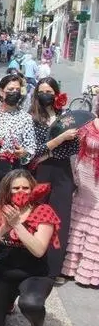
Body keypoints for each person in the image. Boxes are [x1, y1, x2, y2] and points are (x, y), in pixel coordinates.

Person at [0, 170, 60, 326]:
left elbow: (39, 250)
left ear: (32, 189)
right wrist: (3, 228)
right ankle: (7, 301)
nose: (20, 191)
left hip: (34, 274)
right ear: (8, 190)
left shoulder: (43, 211)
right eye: (16, 188)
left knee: (30, 303)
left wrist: (17, 225)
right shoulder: (1, 210)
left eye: (25, 187)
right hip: (5, 272)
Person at [28, 78, 79, 282]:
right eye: (42, 91)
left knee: (61, 218)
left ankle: (54, 268)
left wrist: (50, 150)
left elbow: (73, 147)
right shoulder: (32, 118)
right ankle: (34, 261)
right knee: (37, 215)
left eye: (49, 91)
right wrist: (58, 140)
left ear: (57, 93)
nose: (46, 95)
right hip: (40, 172)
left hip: (63, 172)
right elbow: (34, 152)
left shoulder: (65, 117)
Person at [0, 74, 36, 216]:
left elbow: (31, 147)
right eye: (10, 89)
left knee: (9, 204)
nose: (14, 92)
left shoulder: (25, 118)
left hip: (13, 166)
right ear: (1, 91)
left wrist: (24, 152)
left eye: (17, 90)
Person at [63, 104, 99, 286]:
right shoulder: (89, 123)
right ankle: (71, 266)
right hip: (85, 172)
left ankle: (92, 273)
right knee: (82, 217)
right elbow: (76, 149)